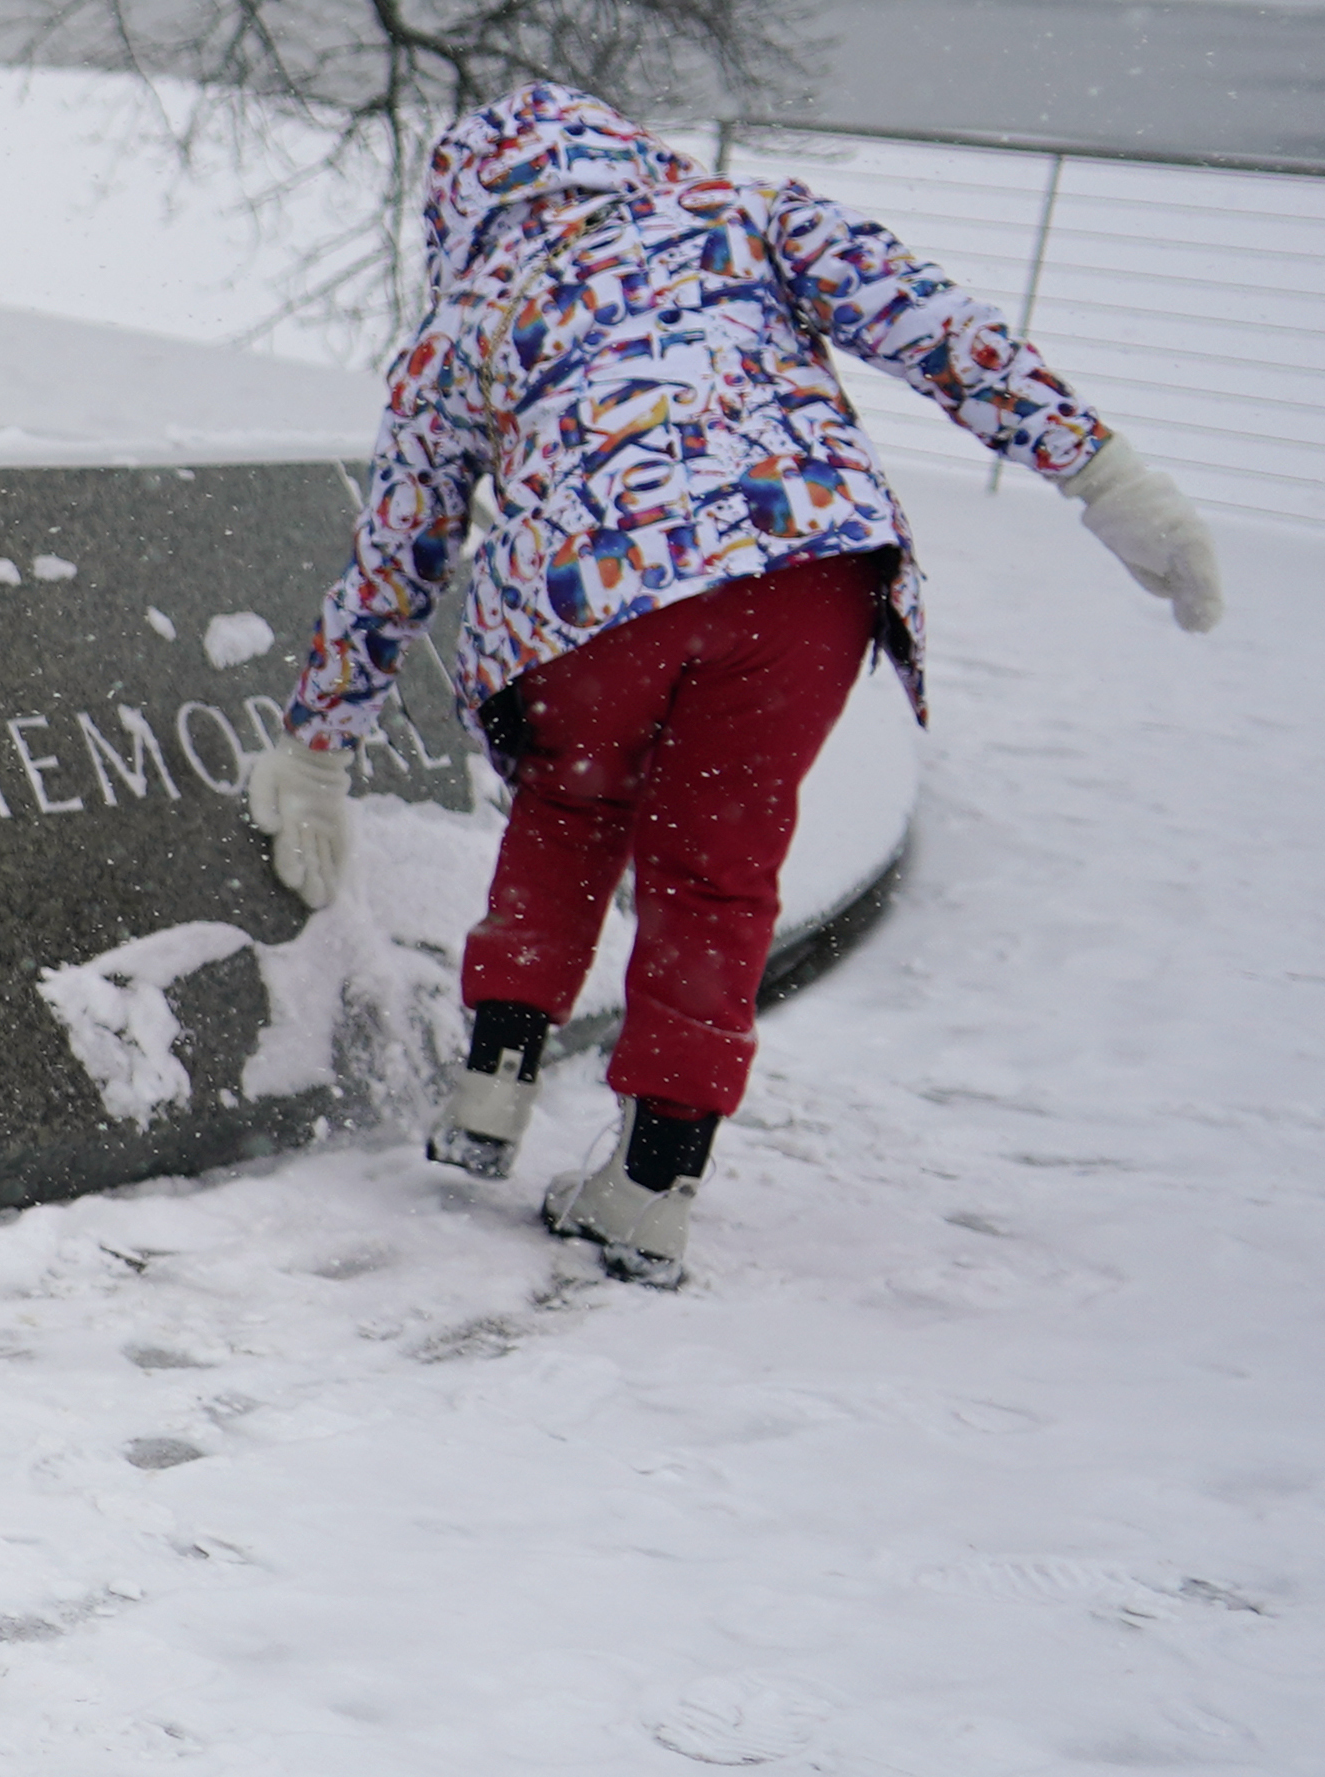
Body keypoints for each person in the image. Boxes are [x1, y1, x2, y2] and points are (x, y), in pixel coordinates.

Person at [239, 85, 1222, 1286]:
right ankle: (652, 1180)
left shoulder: (468, 319)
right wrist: (1102, 472)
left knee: (570, 801)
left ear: (462, 208)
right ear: (619, 155)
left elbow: (396, 552)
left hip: (584, 599)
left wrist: (318, 741)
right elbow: (932, 324)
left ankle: (490, 1082)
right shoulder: (739, 215)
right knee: (719, 861)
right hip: (798, 577)